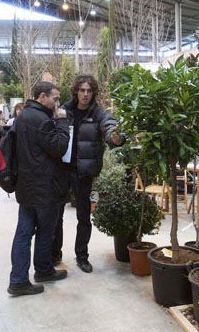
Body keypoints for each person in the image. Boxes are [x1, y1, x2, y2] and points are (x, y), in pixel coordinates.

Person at [52, 75, 124, 273]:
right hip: (62, 169)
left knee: (83, 216)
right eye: (82, 90)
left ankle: (82, 256)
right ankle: (54, 253)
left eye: (89, 91)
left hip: (83, 172)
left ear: (93, 93)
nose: (85, 94)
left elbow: (110, 129)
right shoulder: (63, 111)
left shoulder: (99, 114)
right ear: (76, 91)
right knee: (56, 214)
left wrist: (115, 137)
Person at [8, 82, 70, 297]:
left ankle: (18, 279)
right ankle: (43, 271)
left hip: (25, 186)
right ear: (42, 96)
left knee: (23, 233)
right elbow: (58, 147)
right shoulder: (41, 119)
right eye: (55, 98)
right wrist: (62, 123)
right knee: (45, 232)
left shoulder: (23, 115)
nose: (57, 103)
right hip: (44, 187)